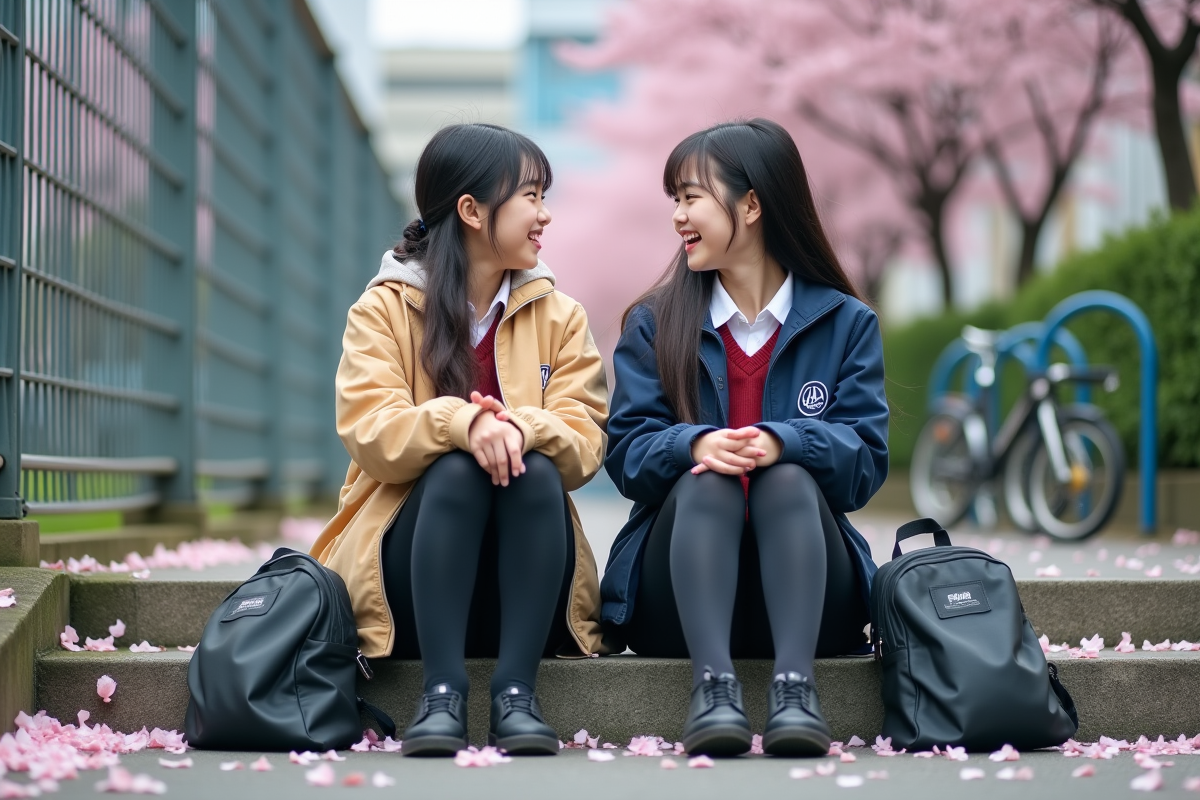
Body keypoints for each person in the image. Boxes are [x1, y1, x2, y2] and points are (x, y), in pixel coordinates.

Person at [311, 123, 610, 757]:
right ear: (472, 211)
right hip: (411, 581)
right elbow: (370, 428)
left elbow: (585, 443)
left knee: (532, 468)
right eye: (530, 195)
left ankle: (516, 697)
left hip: (522, 583)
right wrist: (460, 423)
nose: (545, 214)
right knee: (454, 469)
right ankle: (441, 693)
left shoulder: (561, 315)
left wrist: (517, 426)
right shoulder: (384, 310)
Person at [600, 119, 888, 757]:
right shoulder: (654, 323)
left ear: (751, 204)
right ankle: (712, 690)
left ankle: (795, 691)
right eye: (674, 198)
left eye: (691, 197)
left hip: (812, 600)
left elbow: (865, 465)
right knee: (711, 478)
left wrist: (789, 443)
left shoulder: (846, 324)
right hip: (681, 596)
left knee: (785, 474)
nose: (677, 216)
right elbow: (625, 456)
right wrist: (693, 446)